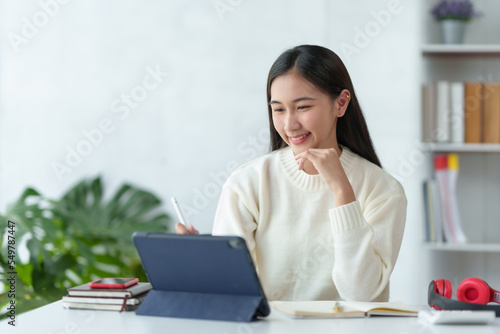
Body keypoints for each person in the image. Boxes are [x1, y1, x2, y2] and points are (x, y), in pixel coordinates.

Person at [176, 45, 407, 302]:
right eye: (279, 109)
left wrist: (342, 191)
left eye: (303, 107)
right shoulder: (247, 183)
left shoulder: (383, 190)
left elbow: (362, 296)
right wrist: (200, 262)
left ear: (340, 103)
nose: (289, 124)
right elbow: (228, 294)